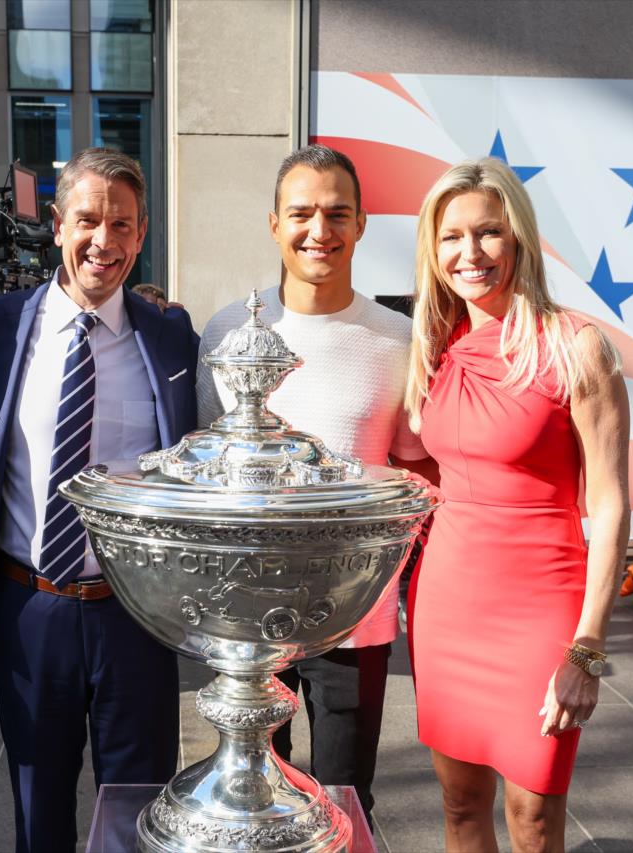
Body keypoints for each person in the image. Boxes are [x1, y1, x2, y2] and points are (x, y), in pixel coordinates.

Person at [0, 147, 197, 853]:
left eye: (122, 225)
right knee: (38, 805)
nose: (103, 241)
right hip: (31, 607)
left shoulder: (171, 336)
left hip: (135, 611)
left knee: (140, 810)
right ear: (57, 224)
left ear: (142, 234)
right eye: (87, 220)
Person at [195, 143, 435, 821]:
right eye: (301, 213)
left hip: (353, 614)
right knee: (249, 802)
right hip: (246, 612)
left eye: (337, 213)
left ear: (360, 224)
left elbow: (412, 466)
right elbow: (206, 467)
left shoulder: (400, 338)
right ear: (275, 224)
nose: (319, 230)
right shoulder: (229, 331)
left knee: (345, 801)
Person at [404, 157, 629, 853]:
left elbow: (611, 506)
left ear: (520, 238)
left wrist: (587, 648)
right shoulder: (436, 346)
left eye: (488, 232)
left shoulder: (577, 346)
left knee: (533, 816)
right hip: (447, 603)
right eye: (451, 237)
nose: (469, 253)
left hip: (541, 607)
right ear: (433, 250)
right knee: (460, 805)